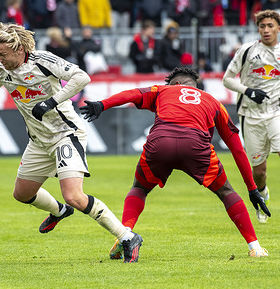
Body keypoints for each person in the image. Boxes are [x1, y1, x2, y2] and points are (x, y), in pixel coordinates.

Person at [0, 22, 143, 263]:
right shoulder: (0, 70)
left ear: (19, 48)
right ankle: (59, 211)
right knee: (22, 194)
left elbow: (82, 77)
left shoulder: (42, 61)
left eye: (3, 54)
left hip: (65, 134)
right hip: (38, 141)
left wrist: (52, 101)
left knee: (74, 196)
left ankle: (127, 237)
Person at [80, 67, 270, 259]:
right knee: (227, 192)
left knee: (139, 188)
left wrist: (102, 104)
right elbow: (237, 148)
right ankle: (254, 247)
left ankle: (125, 237)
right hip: (196, 147)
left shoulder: (163, 90)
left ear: (176, 84)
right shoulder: (213, 101)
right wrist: (252, 189)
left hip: (161, 142)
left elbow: (132, 94)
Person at [222, 9, 280, 224]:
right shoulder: (247, 50)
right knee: (259, 170)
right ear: (258, 28)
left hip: (276, 112)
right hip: (250, 114)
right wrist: (248, 91)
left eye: (270, 26)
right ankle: (262, 193)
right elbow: (227, 80)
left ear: (278, 28)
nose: (266, 30)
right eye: (262, 26)